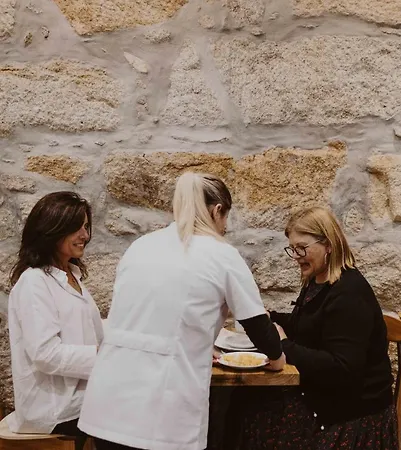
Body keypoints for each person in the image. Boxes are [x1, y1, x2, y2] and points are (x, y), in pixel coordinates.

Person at [78, 172, 285, 450]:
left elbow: (148, 313)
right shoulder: (222, 254)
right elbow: (257, 324)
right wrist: (277, 357)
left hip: (109, 397)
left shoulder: (141, 246)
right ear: (217, 211)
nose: (224, 227)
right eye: (225, 218)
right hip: (161, 405)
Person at [226, 206, 397, 449]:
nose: (296, 256)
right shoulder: (318, 280)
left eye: (302, 248)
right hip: (325, 396)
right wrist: (268, 318)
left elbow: (342, 369)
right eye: (292, 249)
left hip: (349, 412)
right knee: (244, 400)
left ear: (328, 244)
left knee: (254, 416)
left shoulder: (349, 293)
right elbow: (308, 324)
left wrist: (284, 346)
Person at [7, 191, 104, 450]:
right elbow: (45, 354)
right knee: (135, 414)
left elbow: (88, 331)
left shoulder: (72, 276)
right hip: (54, 408)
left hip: (83, 397)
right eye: (76, 227)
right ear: (51, 230)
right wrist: (104, 356)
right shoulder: (34, 282)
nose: (85, 235)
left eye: (86, 226)